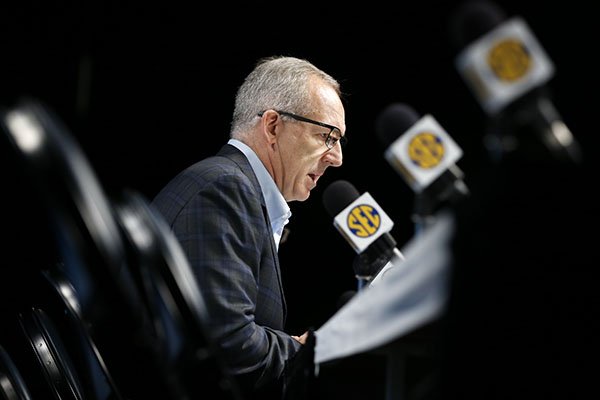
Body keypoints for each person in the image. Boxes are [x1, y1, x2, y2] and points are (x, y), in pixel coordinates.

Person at [150, 55, 346, 399]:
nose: (337, 157)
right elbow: (228, 347)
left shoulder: (231, 187)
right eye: (327, 136)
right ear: (273, 126)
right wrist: (303, 351)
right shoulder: (224, 189)